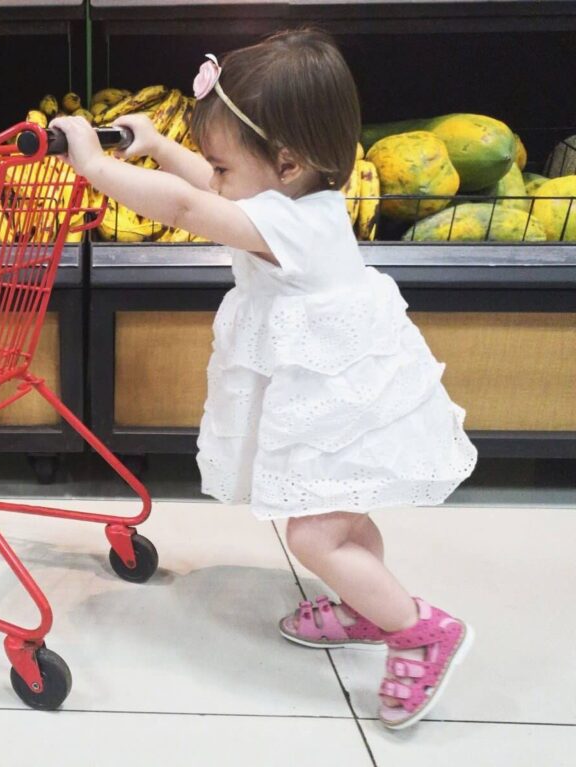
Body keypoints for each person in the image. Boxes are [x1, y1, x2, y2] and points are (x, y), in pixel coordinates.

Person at [49, 28, 477, 730]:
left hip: (335, 391)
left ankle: (420, 627)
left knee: (314, 534)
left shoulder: (291, 227)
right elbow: (216, 190)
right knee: (339, 513)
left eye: (221, 163)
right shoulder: (298, 200)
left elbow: (193, 208)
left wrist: (95, 167)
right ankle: (363, 606)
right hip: (337, 387)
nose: (212, 175)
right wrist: (157, 147)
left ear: (285, 160)